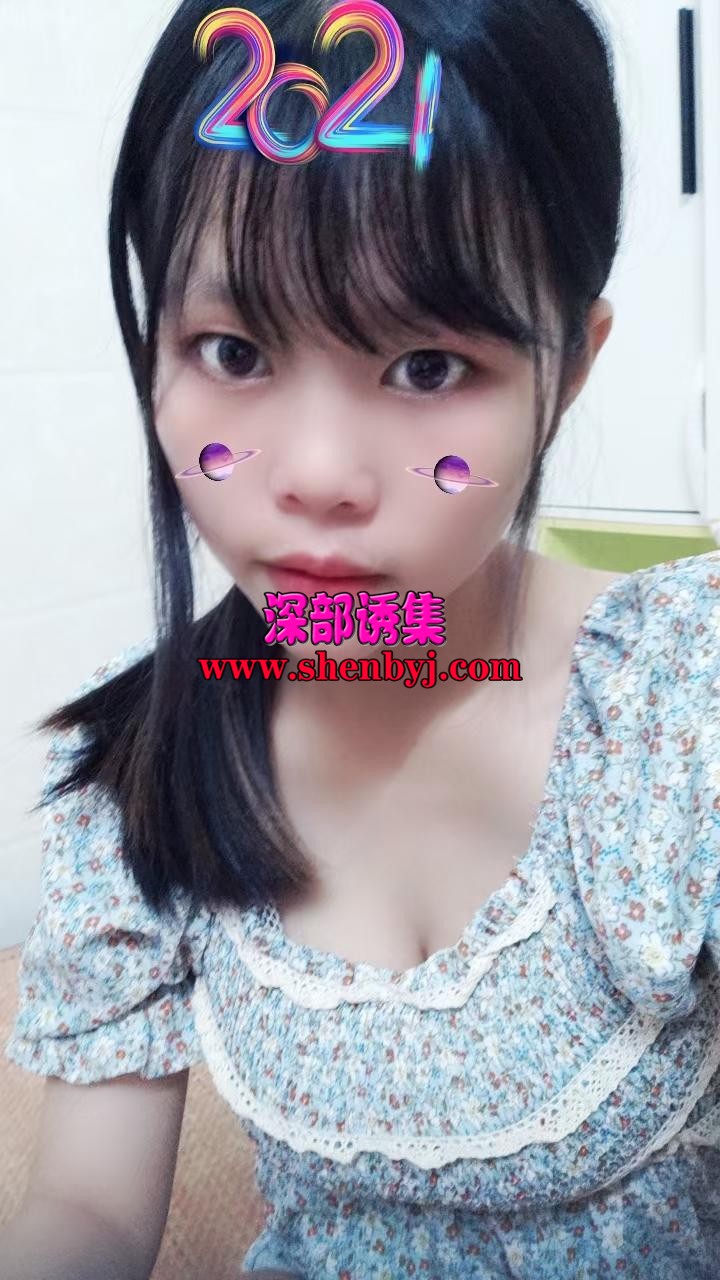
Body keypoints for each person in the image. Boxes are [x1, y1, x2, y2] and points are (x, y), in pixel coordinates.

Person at [3, 0, 720, 1276]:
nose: (320, 473)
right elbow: (91, 1211)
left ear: (569, 368)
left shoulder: (682, 712)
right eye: (232, 349)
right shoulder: (139, 764)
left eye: (429, 366)